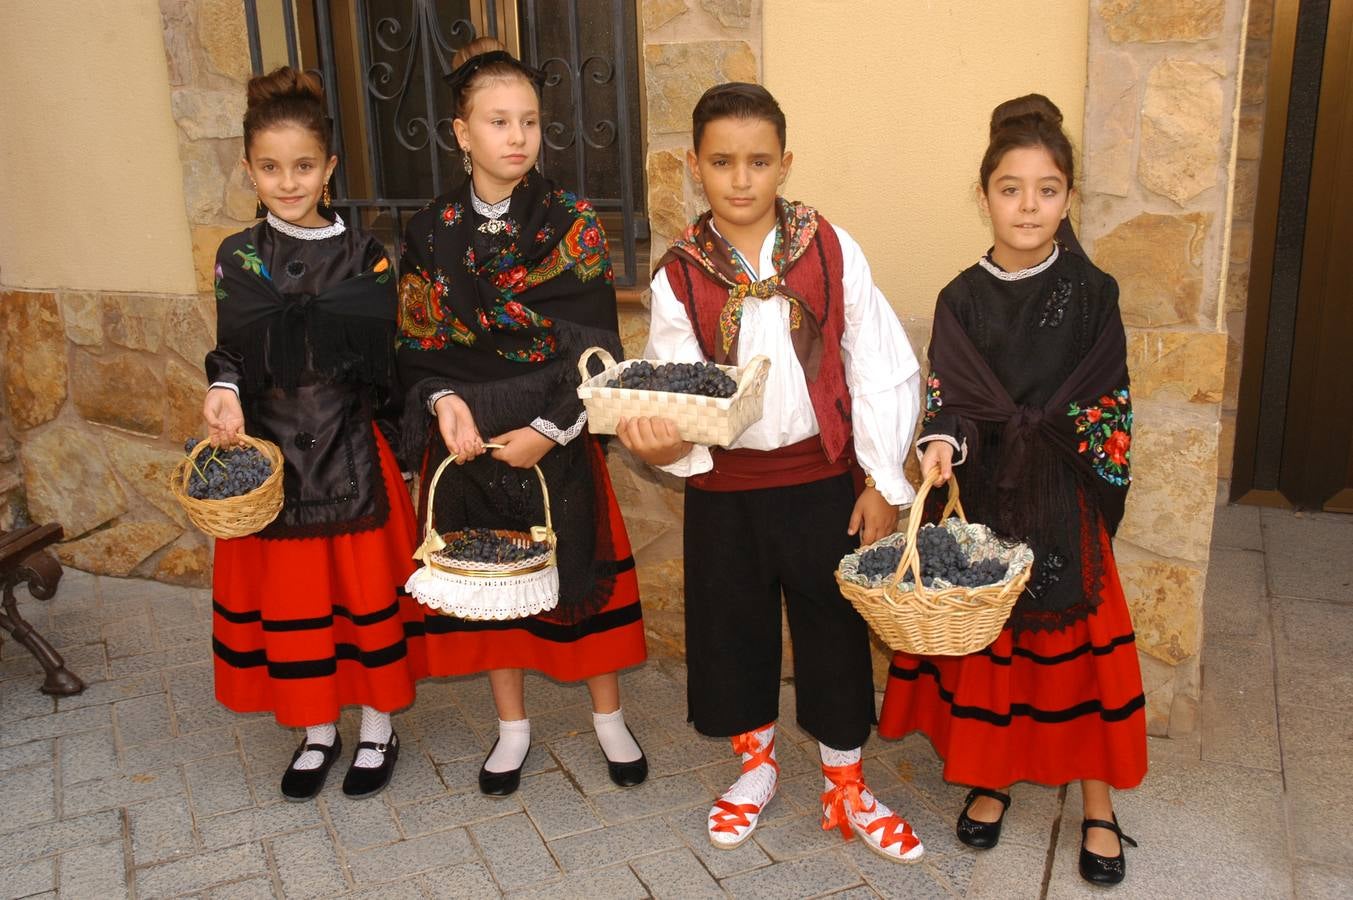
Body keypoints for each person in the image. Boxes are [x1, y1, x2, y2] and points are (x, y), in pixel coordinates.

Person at [618, 82, 925, 862]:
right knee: (732, 630)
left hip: (823, 481)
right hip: (726, 489)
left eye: (758, 161)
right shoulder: (678, 275)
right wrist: (661, 445)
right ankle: (753, 770)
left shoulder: (829, 247)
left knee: (833, 630)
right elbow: (674, 385)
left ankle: (846, 783)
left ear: (784, 163)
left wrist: (880, 481)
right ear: (694, 166)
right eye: (722, 162)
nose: (741, 179)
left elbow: (880, 365)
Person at [877, 94, 1147, 886]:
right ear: (983, 192)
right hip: (990, 495)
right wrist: (937, 445)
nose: (1028, 205)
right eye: (1009, 187)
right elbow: (950, 397)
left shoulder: (1094, 292)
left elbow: (1105, 401)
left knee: (1079, 654)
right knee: (997, 644)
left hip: (1064, 495)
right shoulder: (960, 296)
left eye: (1047, 188)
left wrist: (1071, 462)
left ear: (1067, 197)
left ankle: (1097, 802)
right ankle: (993, 777)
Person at [396, 38, 648, 797]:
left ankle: (608, 718)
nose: (516, 137)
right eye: (498, 122)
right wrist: (442, 405)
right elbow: (414, 342)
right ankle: (512, 729)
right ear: (461, 133)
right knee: (492, 584)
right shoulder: (428, 230)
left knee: (578, 575)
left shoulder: (571, 221)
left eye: (529, 122)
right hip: (467, 439)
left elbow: (599, 346)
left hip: (554, 430)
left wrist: (549, 430)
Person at [204, 66, 425, 801]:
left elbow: (387, 364)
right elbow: (231, 349)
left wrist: (403, 447)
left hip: (351, 453)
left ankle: (375, 728)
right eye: (270, 167)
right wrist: (223, 392)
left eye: (303, 166)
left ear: (329, 167)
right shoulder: (237, 256)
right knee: (297, 605)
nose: (287, 181)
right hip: (275, 464)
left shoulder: (368, 255)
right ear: (249, 169)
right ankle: (315, 731)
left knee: (362, 597)